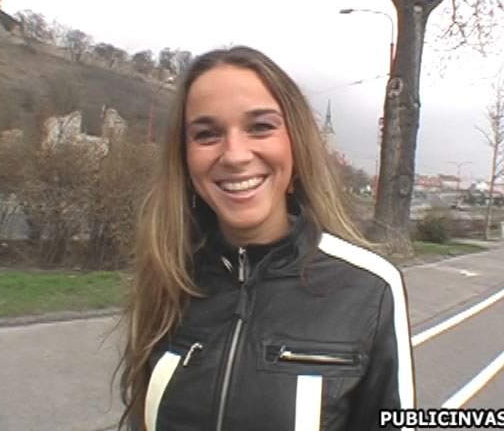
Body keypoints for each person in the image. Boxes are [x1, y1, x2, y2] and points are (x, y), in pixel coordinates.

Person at [118, 45, 414, 431]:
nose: (235, 155)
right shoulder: (168, 275)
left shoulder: (370, 289)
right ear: (185, 159)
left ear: (296, 144)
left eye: (260, 127)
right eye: (207, 134)